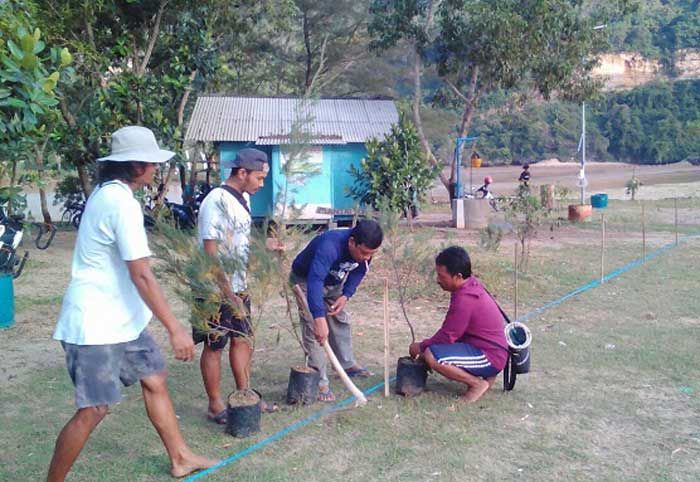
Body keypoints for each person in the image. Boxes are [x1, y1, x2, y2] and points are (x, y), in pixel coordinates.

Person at [48, 126, 217, 481]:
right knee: (94, 409)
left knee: (154, 377)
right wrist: (175, 329)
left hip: (121, 319)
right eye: (152, 163)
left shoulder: (113, 194)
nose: (156, 169)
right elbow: (141, 274)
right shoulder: (118, 203)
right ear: (136, 165)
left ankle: (180, 457)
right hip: (95, 325)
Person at [194, 148, 276, 424]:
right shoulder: (215, 201)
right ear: (242, 173)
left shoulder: (243, 199)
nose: (261, 184)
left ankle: (245, 394)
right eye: (259, 178)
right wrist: (228, 294)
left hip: (238, 285)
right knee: (214, 344)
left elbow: (240, 238)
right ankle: (215, 406)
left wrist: (265, 246)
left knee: (243, 340)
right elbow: (210, 252)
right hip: (214, 288)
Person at [290, 220, 383, 402]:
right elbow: (315, 280)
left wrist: (346, 294)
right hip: (305, 281)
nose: (367, 257)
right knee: (314, 331)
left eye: (371, 254)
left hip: (333, 282)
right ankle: (319, 380)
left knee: (339, 319)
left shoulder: (365, 250)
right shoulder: (329, 246)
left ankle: (346, 363)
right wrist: (318, 318)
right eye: (364, 253)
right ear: (351, 242)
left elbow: (360, 270)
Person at [409, 246, 508, 403]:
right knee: (433, 351)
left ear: (458, 276)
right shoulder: (471, 286)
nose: (438, 280)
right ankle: (487, 378)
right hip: (489, 348)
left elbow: (447, 336)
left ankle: (477, 384)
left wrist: (420, 347)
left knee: (432, 355)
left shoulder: (465, 298)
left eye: (442, 276)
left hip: (491, 355)